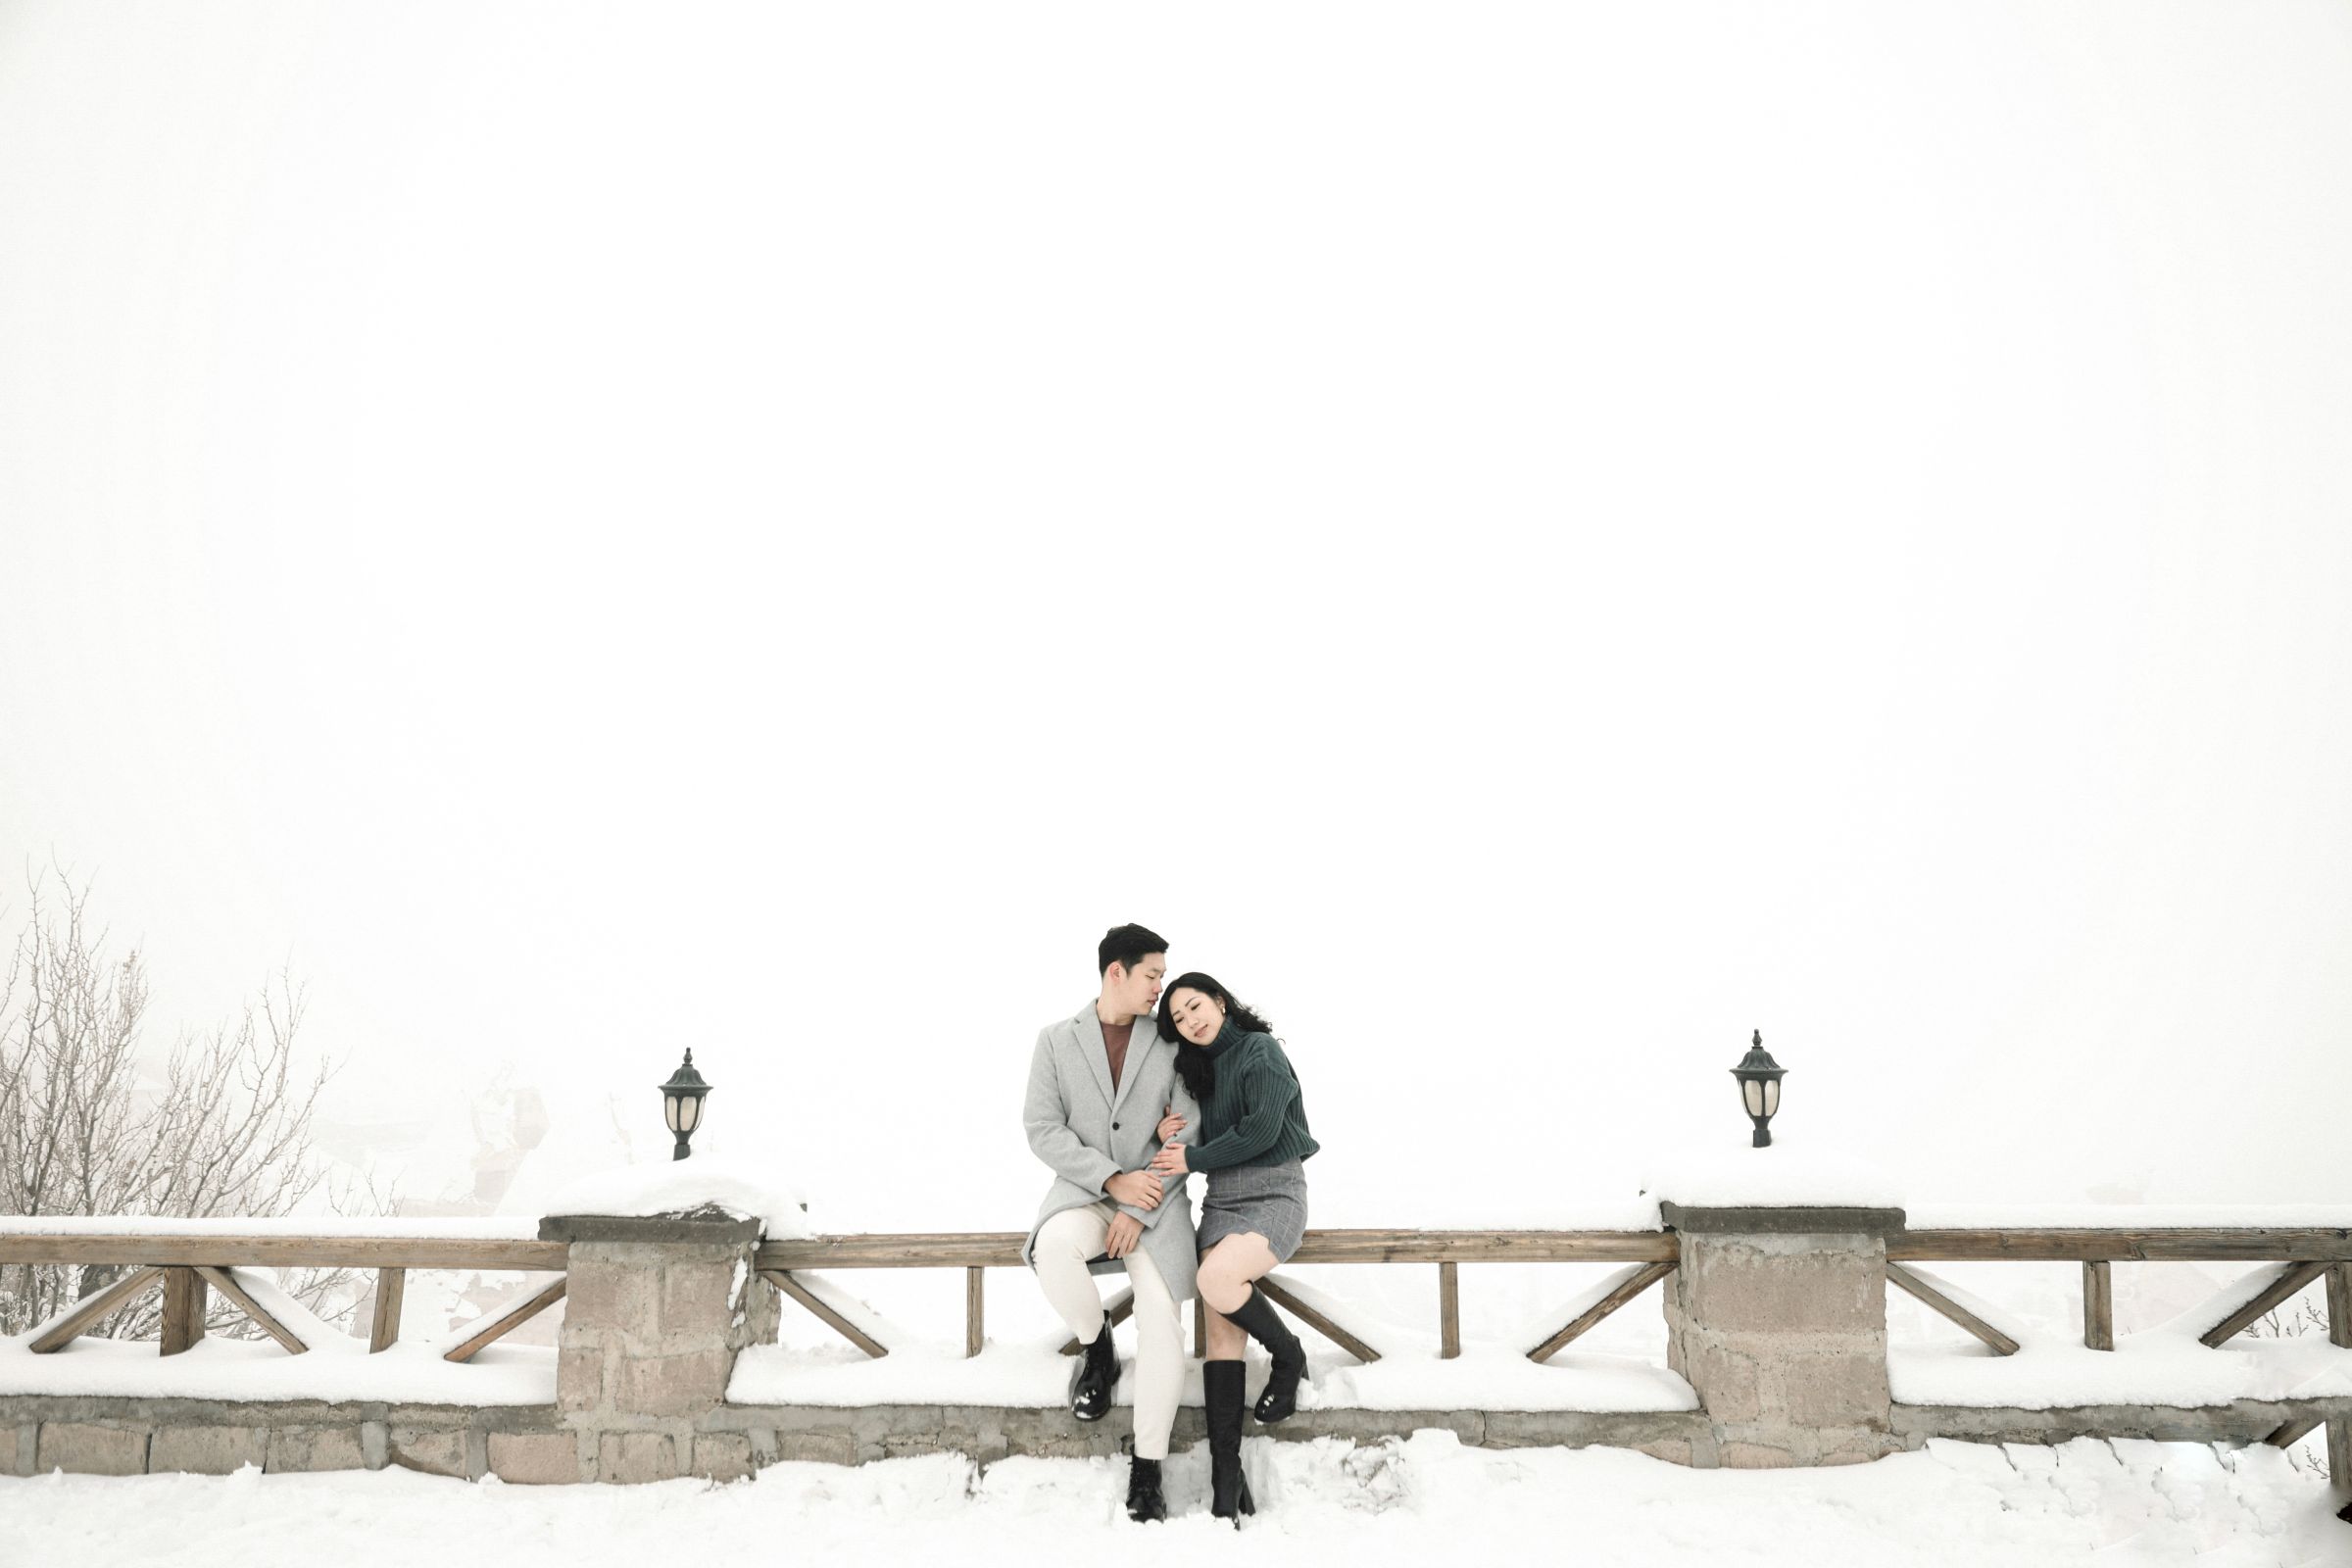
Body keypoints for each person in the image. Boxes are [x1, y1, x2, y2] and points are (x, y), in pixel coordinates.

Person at [1021, 923, 1200, 1524]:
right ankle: (1097, 1344)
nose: (1160, 987)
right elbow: (1043, 1129)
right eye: (1152, 974)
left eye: (1162, 976)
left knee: (1162, 1322)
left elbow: (1189, 1126)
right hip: (1086, 1193)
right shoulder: (1055, 1041)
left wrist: (1137, 1203)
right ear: (1116, 972)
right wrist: (1111, 1181)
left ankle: (1148, 1468)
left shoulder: (1169, 1041)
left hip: (1157, 1203)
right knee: (1052, 1248)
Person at [1148, 972, 1318, 1523]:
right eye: (1179, 1018)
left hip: (1275, 1192)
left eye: (1195, 1006)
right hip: (1221, 1202)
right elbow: (1199, 1137)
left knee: (1216, 1280)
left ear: (1220, 1002)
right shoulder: (1199, 1071)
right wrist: (1172, 1132)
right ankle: (1227, 1476)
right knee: (1221, 1338)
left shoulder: (1260, 1051)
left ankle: (1289, 1354)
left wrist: (1193, 1158)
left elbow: (1263, 1130)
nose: (1190, 1022)